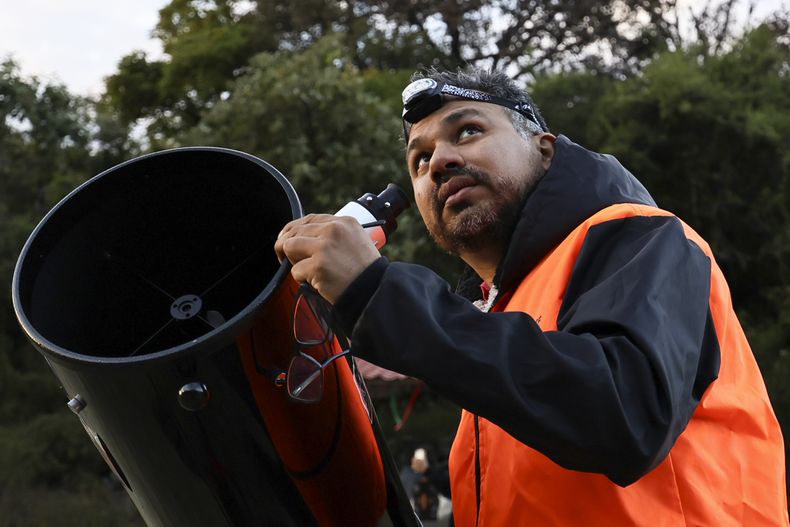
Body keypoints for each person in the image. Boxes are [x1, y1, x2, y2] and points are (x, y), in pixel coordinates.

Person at [274, 67, 789, 526]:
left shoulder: (641, 236)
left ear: (544, 148)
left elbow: (626, 413)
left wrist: (378, 294)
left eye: (469, 131)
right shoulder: (492, 329)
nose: (439, 162)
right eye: (420, 159)